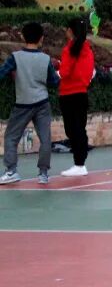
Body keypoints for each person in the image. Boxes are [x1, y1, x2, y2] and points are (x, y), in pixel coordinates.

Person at [0, 22, 59, 185]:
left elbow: (2, 73)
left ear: (23, 37)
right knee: (45, 138)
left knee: (11, 137)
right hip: (42, 103)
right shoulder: (45, 59)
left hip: (23, 103)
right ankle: (43, 173)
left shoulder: (16, 57)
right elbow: (54, 82)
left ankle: (11, 171)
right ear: (41, 38)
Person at [58, 17, 95, 177]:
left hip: (68, 93)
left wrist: (56, 70)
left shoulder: (70, 49)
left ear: (70, 31)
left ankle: (79, 164)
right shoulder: (88, 50)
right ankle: (80, 162)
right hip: (81, 93)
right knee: (79, 128)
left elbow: (64, 72)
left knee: (72, 129)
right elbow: (89, 72)